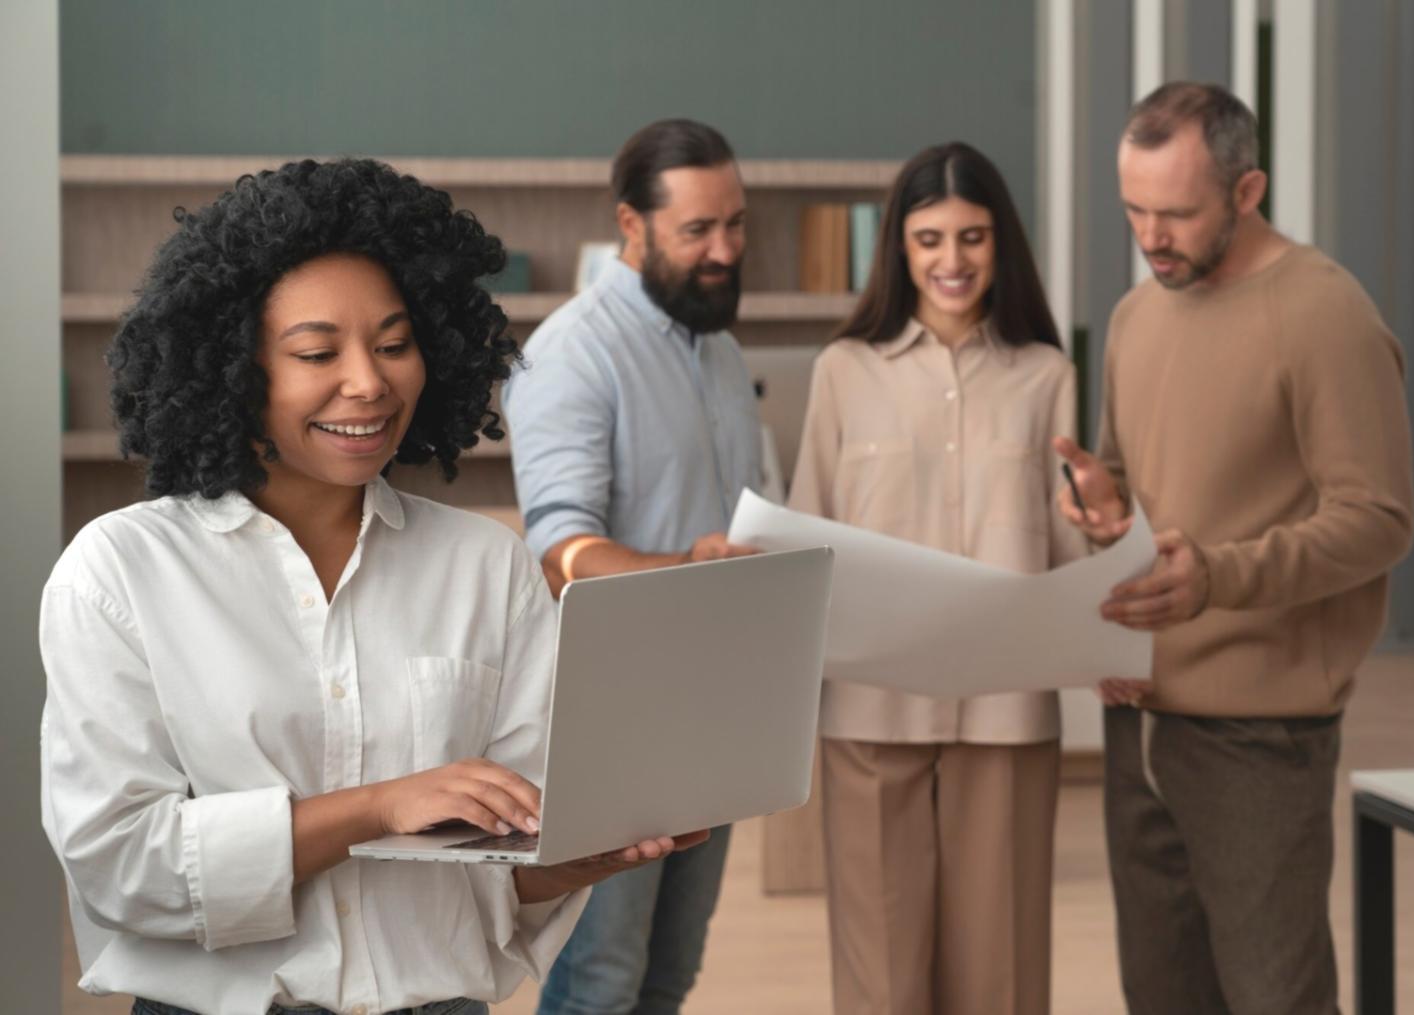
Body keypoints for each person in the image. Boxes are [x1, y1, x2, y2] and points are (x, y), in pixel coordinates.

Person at [39, 158, 705, 1015]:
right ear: (232, 369)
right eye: (318, 351)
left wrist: (586, 854)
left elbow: (497, 883)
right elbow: (120, 868)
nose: (370, 381)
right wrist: (376, 808)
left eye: (394, 344)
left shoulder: (485, 567)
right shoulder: (121, 572)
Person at [1055, 82, 1414, 1014]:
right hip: (1137, 717)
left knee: (1274, 998)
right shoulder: (1137, 318)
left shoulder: (1324, 314)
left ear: (1247, 190)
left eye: (1176, 213)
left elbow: (1378, 517)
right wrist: (1105, 512)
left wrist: (1216, 576)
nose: (1151, 235)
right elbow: (1138, 486)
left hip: (1260, 736)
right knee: (1162, 997)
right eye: (1133, 209)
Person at [788, 141, 1086, 1015]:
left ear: (1002, 244)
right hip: (869, 703)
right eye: (928, 240)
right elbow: (806, 538)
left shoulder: (1046, 375)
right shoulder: (842, 372)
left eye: (971, 237)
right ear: (899, 249)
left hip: (1004, 707)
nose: (950, 261)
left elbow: (1071, 553)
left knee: (1002, 970)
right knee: (880, 971)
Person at [504, 119, 761, 1015]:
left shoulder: (719, 348)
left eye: (735, 224)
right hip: (613, 719)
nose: (724, 250)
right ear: (631, 224)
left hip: (714, 708)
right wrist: (685, 567)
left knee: (668, 973)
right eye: (698, 230)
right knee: (600, 976)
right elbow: (562, 551)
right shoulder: (571, 353)